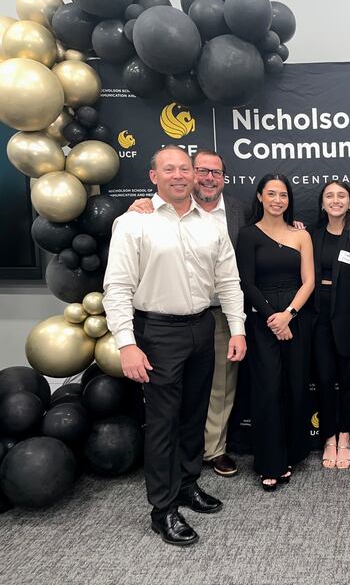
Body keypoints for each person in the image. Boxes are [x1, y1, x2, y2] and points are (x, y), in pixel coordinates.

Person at [103, 146, 247, 546]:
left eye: (185, 168)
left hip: (203, 328)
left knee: (193, 416)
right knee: (163, 423)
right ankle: (162, 509)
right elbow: (117, 287)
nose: (180, 175)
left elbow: (228, 281)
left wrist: (237, 329)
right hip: (157, 332)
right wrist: (126, 344)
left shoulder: (211, 224)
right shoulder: (133, 223)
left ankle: (186, 484)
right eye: (170, 169)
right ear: (154, 176)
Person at [129, 149, 251, 478]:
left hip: (218, 314)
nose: (209, 178)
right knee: (170, 403)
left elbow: (262, 238)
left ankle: (213, 450)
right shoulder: (147, 215)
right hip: (165, 323)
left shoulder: (239, 210)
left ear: (224, 178)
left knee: (218, 388)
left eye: (216, 173)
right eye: (203, 171)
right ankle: (170, 477)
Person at [236, 174, 314, 491]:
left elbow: (309, 281)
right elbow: (247, 283)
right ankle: (270, 462)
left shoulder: (301, 234)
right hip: (263, 323)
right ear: (260, 197)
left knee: (295, 388)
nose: (277, 200)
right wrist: (273, 319)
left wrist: (289, 316)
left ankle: (292, 453)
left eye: (283, 195)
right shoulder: (247, 235)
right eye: (271, 194)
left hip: (296, 320)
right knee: (267, 391)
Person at [309, 180, 350, 469]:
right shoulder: (310, 234)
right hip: (317, 319)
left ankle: (345, 436)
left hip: (349, 319)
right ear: (322, 203)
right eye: (329, 196)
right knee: (323, 380)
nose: (335, 200)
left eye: (341, 195)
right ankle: (328, 437)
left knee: (348, 381)